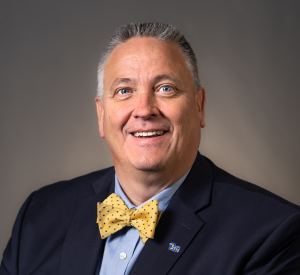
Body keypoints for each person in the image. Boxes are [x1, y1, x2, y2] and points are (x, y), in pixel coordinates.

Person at [1, 22, 300, 275]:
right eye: (124, 91)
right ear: (102, 116)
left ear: (199, 107)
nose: (143, 109)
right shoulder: (39, 215)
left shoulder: (272, 232)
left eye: (165, 88)